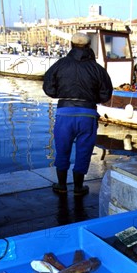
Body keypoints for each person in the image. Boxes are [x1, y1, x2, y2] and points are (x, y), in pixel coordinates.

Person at [43, 32, 113, 196]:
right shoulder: (97, 68)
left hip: (64, 113)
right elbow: (105, 94)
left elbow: (48, 87)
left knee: (62, 150)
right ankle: (79, 187)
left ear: (71, 46)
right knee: (84, 151)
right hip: (87, 114)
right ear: (89, 47)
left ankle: (61, 185)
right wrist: (91, 98)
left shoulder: (60, 64)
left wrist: (60, 93)